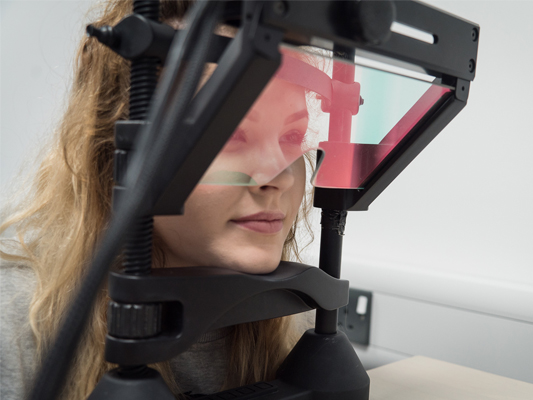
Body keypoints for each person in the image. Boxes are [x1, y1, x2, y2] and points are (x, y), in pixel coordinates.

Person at [0, 1, 316, 399]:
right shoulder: (13, 322)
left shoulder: (293, 323)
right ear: (119, 148)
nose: (280, 176)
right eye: (227, 134)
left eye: (292, 137)